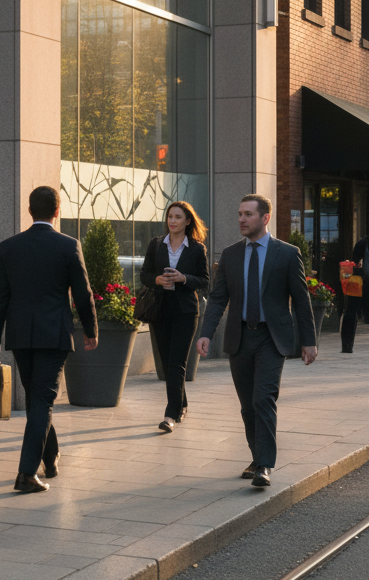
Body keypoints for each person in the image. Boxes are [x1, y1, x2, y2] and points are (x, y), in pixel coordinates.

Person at [197, 194, 317, 488]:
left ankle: (264, 465)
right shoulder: (230, 254)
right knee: (248, 405)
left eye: (248, 214)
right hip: (239, 337)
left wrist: (309, 340)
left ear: (265, 218)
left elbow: (301, 300)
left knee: (263, 398)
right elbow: (218, 298)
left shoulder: (287, 254)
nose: (242, 219)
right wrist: (206, 333)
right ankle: (256, 457)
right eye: (240, 214)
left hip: (271, 337)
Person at [0, 185, 98, 494]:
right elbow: (83, 294)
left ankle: (50, 457)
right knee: (43, 401)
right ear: (57, 212)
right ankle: (26, 474)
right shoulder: (68, 245)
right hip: (54, 335)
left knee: (37, 399)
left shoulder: (10, 247)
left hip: (20, 336)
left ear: (29, 210)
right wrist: (91, 331)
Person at [140, 201, 210, 433]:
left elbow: (204, 280)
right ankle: (182, 404)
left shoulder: (197, 249)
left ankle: (171, 414)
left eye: (178, 217)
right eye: (170, 216)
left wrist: (183, 278)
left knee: (176, 362)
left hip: (185, 312)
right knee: (168, 362)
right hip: (160, 310)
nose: (172, 221)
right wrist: (157, 280)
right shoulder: (156, 244)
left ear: (187, 221)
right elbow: (145, 274)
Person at [343, 233, 369, 353]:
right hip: (360, 283)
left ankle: (347, 346)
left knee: (351, 312)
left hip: (358, 282)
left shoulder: (361, 243)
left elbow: (354, 263)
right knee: (351, 313)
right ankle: (347, 345)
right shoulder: (362, 244)